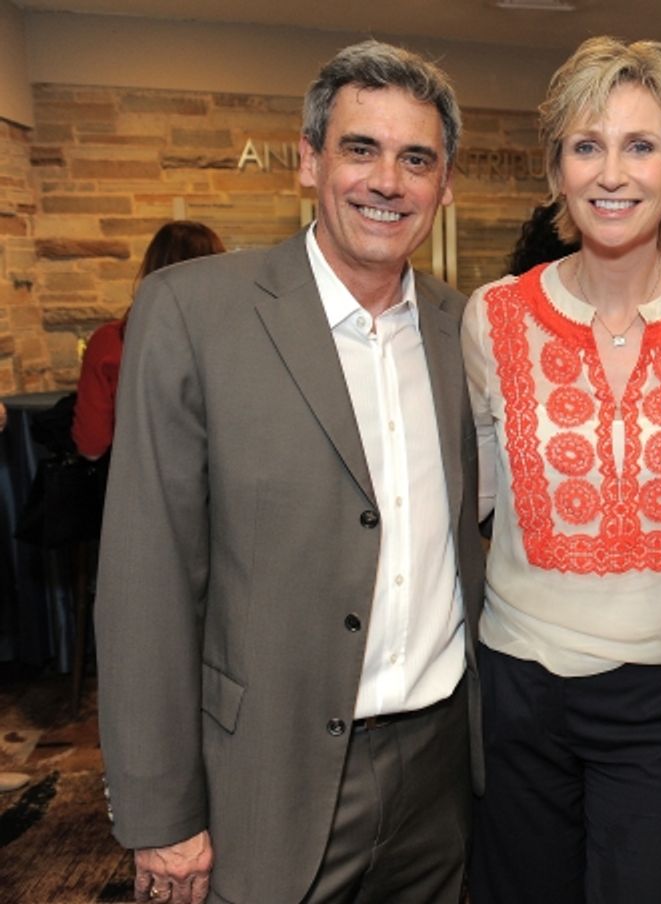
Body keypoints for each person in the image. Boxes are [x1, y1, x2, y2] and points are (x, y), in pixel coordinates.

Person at [94, 40, 484, 904]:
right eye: (361, 149)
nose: (388, 181)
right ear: (308, 161)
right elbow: (144, 580)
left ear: (444, 184)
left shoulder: (471, 333)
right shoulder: (194, 313)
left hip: (443, 778)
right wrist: (161, 813)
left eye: (416, 159)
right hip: (264, 780)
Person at [463, 36, 661, 904]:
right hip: (520, 685)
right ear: (557, 170)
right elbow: (480, 500)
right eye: (586, 146)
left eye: (640, 145)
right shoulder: (494, 318)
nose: (613, 173)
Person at [72, 221, 225, 461]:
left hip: (141, 485)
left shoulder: (111, 342)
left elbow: (92, 444)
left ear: (151, 269)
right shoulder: (239, 340)